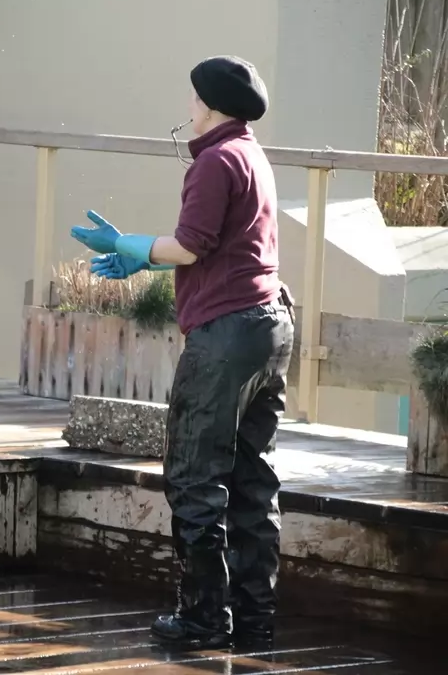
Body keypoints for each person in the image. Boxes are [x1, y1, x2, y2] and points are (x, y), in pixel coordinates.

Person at [69, 55, 295, 651]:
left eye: (194, 97)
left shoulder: (215, 161)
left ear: (211, 106)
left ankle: (202, 619)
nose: (188, 106)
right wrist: (142, 258)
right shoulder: (251, 153)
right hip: (270, 326)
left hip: (226, 335)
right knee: (253, 478)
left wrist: (128, 244)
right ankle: (255, 617)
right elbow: (223, 248)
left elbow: (192, 246)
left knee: (195, 478)